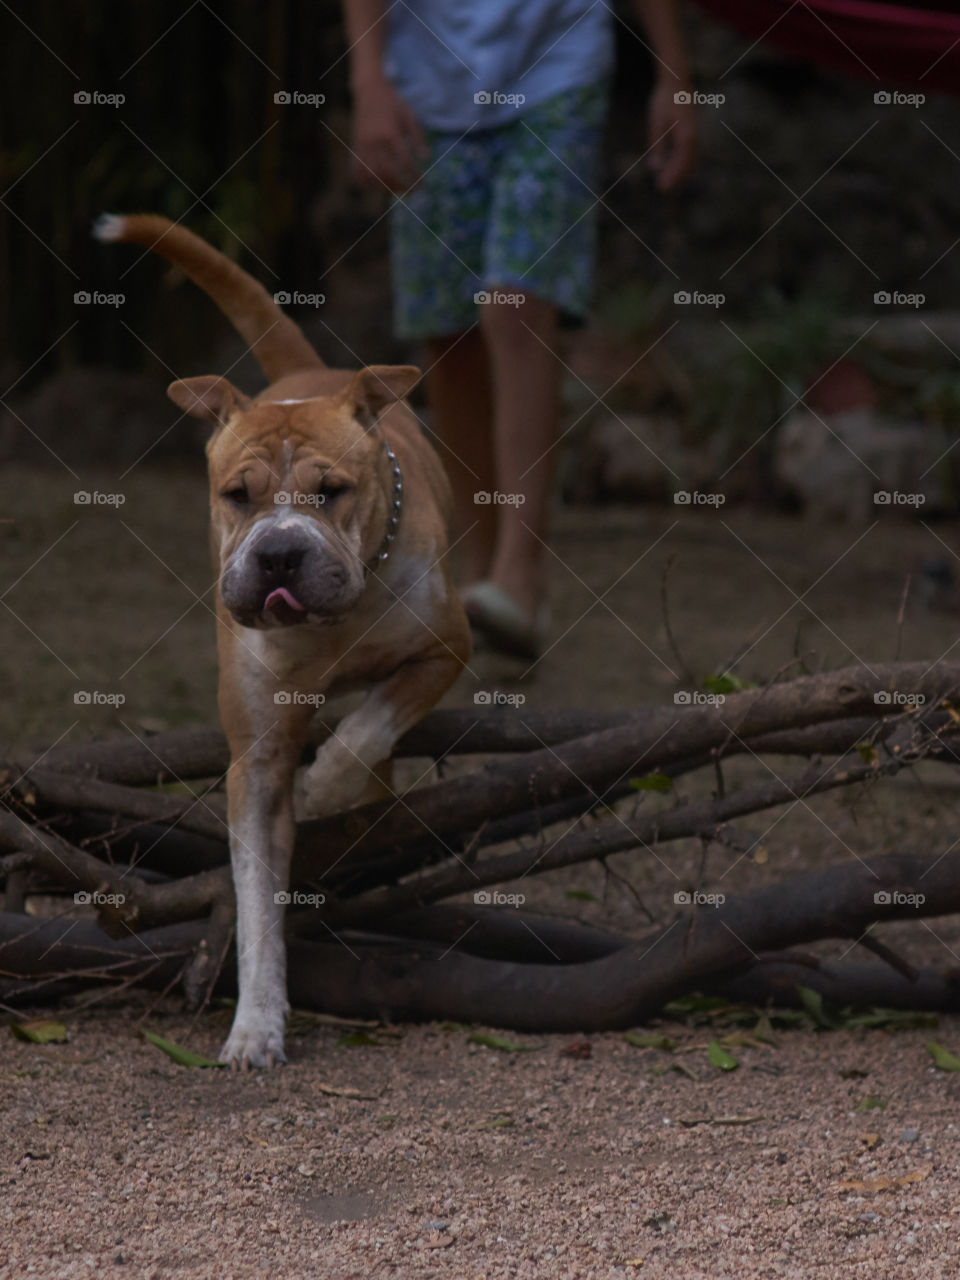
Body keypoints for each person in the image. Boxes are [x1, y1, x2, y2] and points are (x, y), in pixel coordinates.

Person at [343, 1, 696, 658]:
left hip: (557, 70)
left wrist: (673, 73)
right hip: (427, 86)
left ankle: (520, 575)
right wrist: (368, 81)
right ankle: (480, 586)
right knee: (448, 335)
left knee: (515, 306)